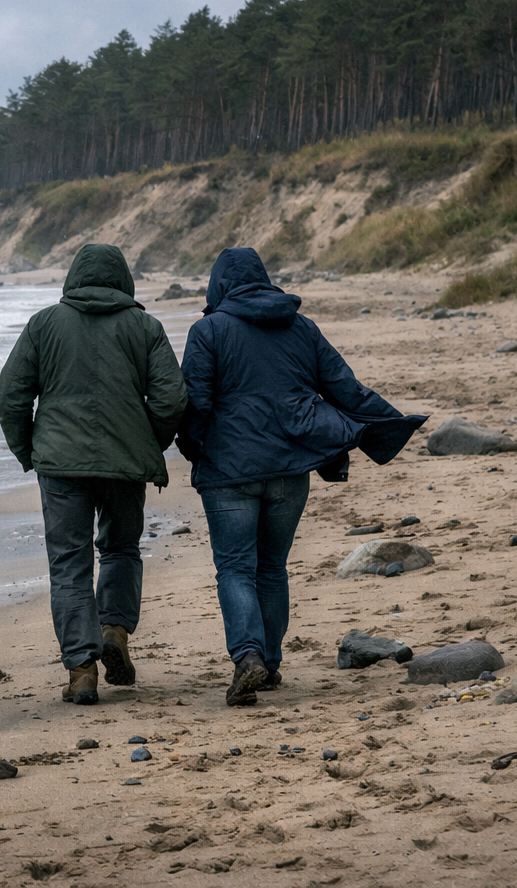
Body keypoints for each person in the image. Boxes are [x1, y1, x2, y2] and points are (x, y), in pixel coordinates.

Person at [178, 248, 425, 706]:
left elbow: (196, 403)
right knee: (271, 567)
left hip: (229, 471)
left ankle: (247, 655)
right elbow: (345, 388)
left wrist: (193, 449)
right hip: (291, 468)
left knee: (235, 566)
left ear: (218, 286)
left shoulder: (208, 330)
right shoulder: (302, 327)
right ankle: (269, 664)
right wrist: (392, 423)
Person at [0, 244, 187, 705]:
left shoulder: (44, 324)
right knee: (121, 548)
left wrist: (32, 451)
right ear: (123, 280)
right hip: (124, 465)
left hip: (61, 467)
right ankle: (115, 630)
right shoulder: (145, 326)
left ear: (73, 278)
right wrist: (148, 443)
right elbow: (172, 399)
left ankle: (81, 670)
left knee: (69, 564)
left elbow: (10, 397)